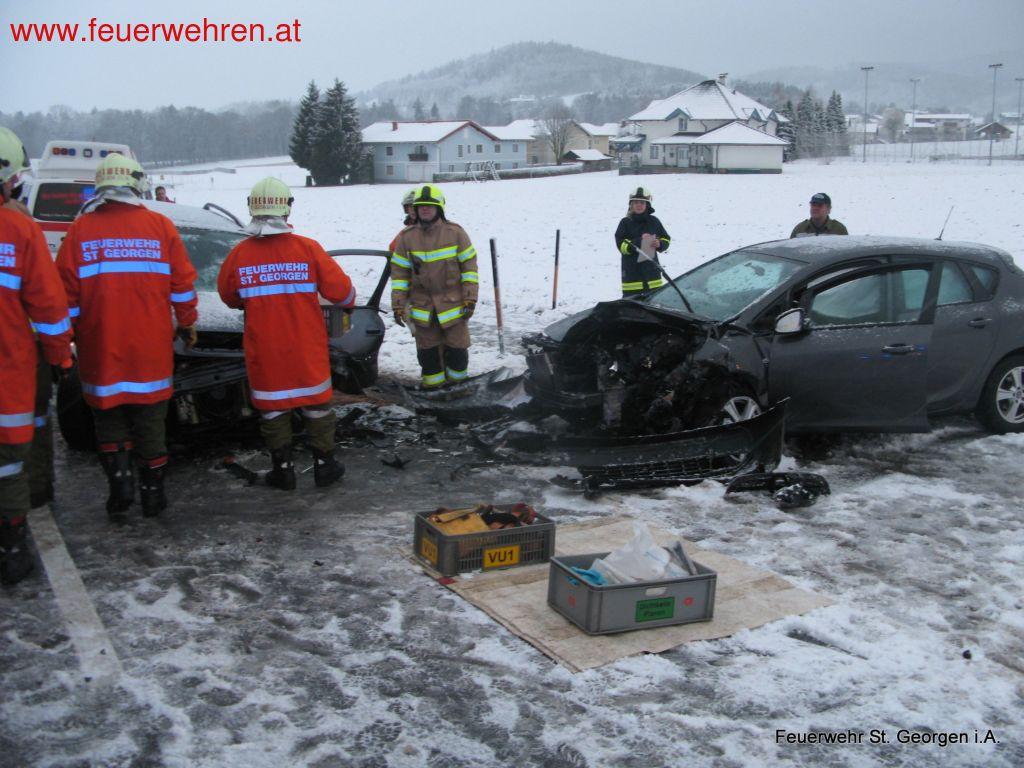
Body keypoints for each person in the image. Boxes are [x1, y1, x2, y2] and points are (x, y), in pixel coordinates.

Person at [56, 153, 198, 521]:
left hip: (100, 349)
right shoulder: (160, 227)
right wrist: (187, 322)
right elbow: (183, 285)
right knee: (151, 422)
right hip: (151, 349)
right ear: (136, 184)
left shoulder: (80, 230)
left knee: (109, 421)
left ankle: (120, 488)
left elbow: (65, 296)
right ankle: (153, 494)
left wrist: (69, 339)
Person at [217, 177, 355, 490]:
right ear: (287, 208)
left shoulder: (239, 255)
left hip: (265, 349)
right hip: (306, 346)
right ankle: (325, 466)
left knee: (273, 409)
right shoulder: (308, 249)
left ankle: (283, 470)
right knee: (316, 406)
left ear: (252, 208)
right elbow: (343, 293)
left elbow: (229, 296)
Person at [0, 127, 74, 584]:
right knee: (8, 464)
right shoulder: (18, 230)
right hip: (9, 372)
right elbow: (48, 308)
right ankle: (11, 550)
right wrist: (60, 357)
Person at [390, 184, 479, 389]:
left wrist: (470, 298)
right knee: (428, 355)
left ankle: (459, 389)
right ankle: (433, 390)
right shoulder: (406, 238)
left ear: (439, 208)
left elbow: (469, 268)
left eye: (430, 206)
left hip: (454, 306)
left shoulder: (456, 233)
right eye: (421, 206)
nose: (425, 209)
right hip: (423, 308)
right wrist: (398, 304)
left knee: (457, 352)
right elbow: (400, 274)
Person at [615, 187, 671, 297]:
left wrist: (660, 244)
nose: (639, 205)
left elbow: (666, 238)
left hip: (653, 279)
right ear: (631, 205)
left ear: (647, 205)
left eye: (642, 203)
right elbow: (621, 246)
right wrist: (640, 241)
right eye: (636, 202)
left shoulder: (654, 221)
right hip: (632, 279)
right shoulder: (625, 223)